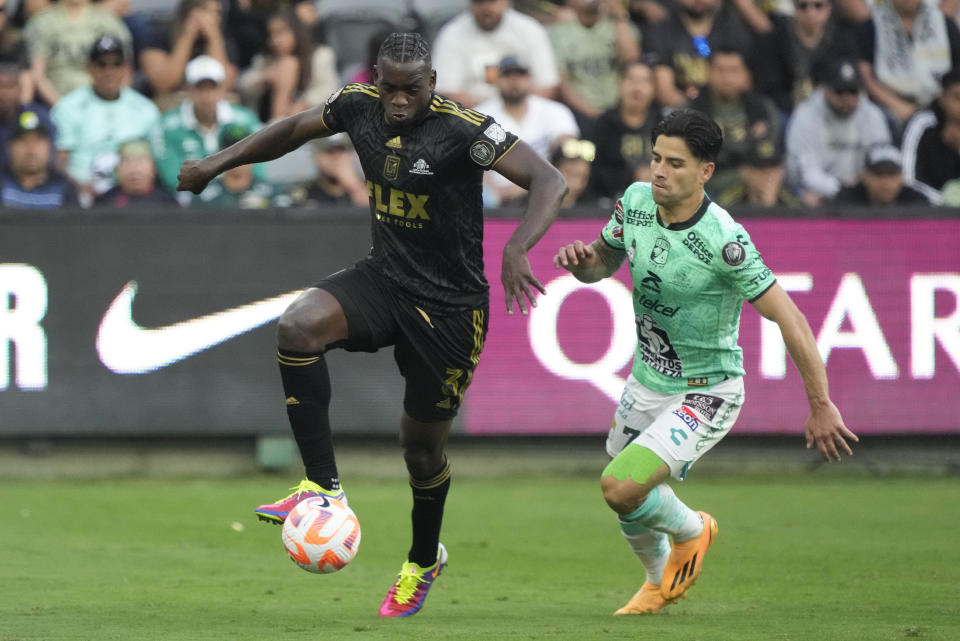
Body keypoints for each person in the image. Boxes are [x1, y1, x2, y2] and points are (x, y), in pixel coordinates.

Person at [175, 32, 567, 617]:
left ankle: (422, 558)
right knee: (298, 327)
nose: (400, 100)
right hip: (385, 278)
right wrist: (216, 162)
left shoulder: (462, 129)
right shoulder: (357, 103)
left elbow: (549, 181)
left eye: (413, 89)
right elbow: (291, 130)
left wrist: (517, 248)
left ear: (432, 84)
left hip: (452, 311)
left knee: (420, 451)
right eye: (391, 88)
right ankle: (322, 489)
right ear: (376, 80)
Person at [553, 108, 857, 615]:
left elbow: (792, 320)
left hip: (706, 390)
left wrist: (821, 403)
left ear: (706, 171)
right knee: (626, 496)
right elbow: (604, 263)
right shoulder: (634, 202)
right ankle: (657, 583)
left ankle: (695, 530)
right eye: (655, 158)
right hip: (647, 379)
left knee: (618, 484)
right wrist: (586, 265)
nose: (659, 171)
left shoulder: (726, 241)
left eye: (675, 163)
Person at [50, 35, 160, 203]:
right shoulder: (68, 106)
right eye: (101, 65)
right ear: (89, 68)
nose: (109, 72)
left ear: (126, 68)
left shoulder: (145, 109)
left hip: (130, 196)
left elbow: (154, 160)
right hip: (81, 194)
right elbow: (59, 161)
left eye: (116, 64)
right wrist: (78, 186)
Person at [152, 55, 263, 199]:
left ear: (223, 89)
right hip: (187, 203)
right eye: (200, 88)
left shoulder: (246, 120)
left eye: (212, 87)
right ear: (188, 90)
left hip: (238, 197)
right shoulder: (167, 125)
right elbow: (172, 177)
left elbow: (259, 169)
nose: (207, 96)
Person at [476, 54, 579, 206]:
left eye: (521, 74)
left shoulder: (555, 111)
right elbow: (472, 164)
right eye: (507, 75)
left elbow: (568, 152)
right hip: (495, 202)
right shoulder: (479, 115)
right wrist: (497, 194)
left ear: (531, 80)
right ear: (496, 80)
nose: (514, 80)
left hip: (548, 193)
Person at [785, 58, 890, 206]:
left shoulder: (873, 116)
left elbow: (881, 161)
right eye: (840, 91)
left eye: (853, 91)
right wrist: (842, 190)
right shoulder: (805, 117)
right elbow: (805, 173)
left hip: (863, 194)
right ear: (825, 89)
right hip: (819, 195)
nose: (847, 98)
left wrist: (859, 189)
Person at [432, 0, 560, 107]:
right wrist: (493, 114)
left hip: (525, 115)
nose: (487, 8)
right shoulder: (452, 34)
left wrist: (516, 112)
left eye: (493, 1)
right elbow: (446, 91)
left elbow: (547, 85)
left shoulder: (530, 29)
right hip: (472, 119)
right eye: (480, 2)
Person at [547, 0, 641, 136]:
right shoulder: (558, 32)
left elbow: (632, 60)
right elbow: (563, 85)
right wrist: (594, 113)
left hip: (619, 111)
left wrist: (619, 15)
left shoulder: (619, 26)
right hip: (579, 114)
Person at [23, 0, 132, 105]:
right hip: (55, 103)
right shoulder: (42, 22)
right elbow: (38, 75)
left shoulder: (108, 21)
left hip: (101, 103)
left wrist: (112, 105)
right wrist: (61, 107)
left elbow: (125, 71)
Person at [590, 60, 664, 201]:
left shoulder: (664, 125)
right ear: (619, 84)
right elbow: (597, 171)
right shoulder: (604, 124)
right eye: (631, 80)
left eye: (644, 81)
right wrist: (632, 177)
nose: (637, 88)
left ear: (654, 89)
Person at [900, 70, 960, 205]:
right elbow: (907, 178)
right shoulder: (921, 123)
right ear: (942, 98)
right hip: (926, 207)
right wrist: (943, 200)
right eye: (957, 97)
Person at [1, 109, 77, 207]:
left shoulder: (64, 188)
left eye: (38, 140)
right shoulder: (3, 183)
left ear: (49, 146)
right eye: (23, 140)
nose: (31, 148)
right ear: (10, 147)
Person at [833, 142, 930, 206]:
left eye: (892, 174)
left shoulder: (916, 202)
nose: (885, 182)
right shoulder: (846, 201)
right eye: (878, 174)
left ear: (901, 176)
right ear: (865, 176)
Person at [92, 139, 178, 208]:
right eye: (127, 162)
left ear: (154, 168)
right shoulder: (104, 203)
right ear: (117, 169)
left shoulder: (168, 203)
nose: (134, 170)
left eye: (141, 162)